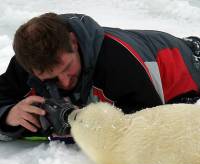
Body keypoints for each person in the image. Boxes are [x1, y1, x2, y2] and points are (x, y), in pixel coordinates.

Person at [0, 12, 200, 142]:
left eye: (68, 68)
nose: (66, 82)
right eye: (51, 78)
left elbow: (150, 127)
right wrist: (8, 115)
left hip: (186, 60)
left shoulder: (120, 62)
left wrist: (83, 121)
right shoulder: (28, 62)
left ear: (74, 42)